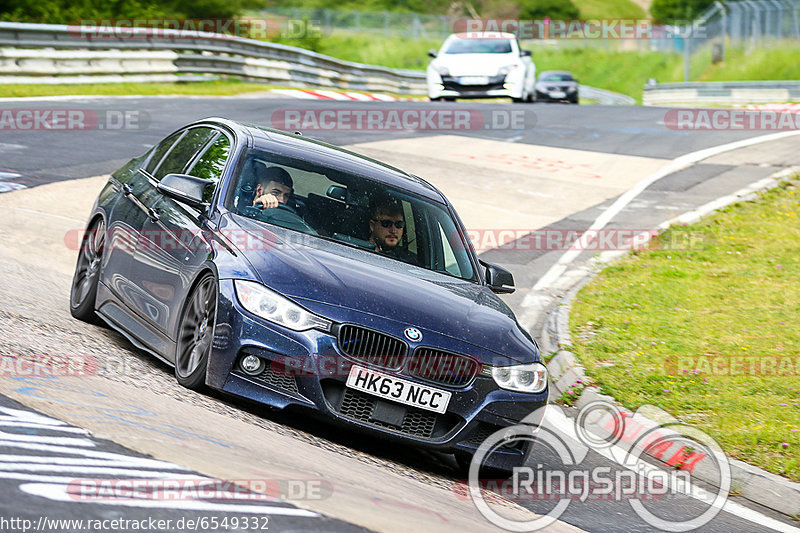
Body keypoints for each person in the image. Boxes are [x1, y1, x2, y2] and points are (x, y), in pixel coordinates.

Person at [368, 196, 416, 264]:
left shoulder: (409, 262)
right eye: (386, 223)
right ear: (372, 226)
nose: (393, 231)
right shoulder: (355, 249)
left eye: (399, 225)